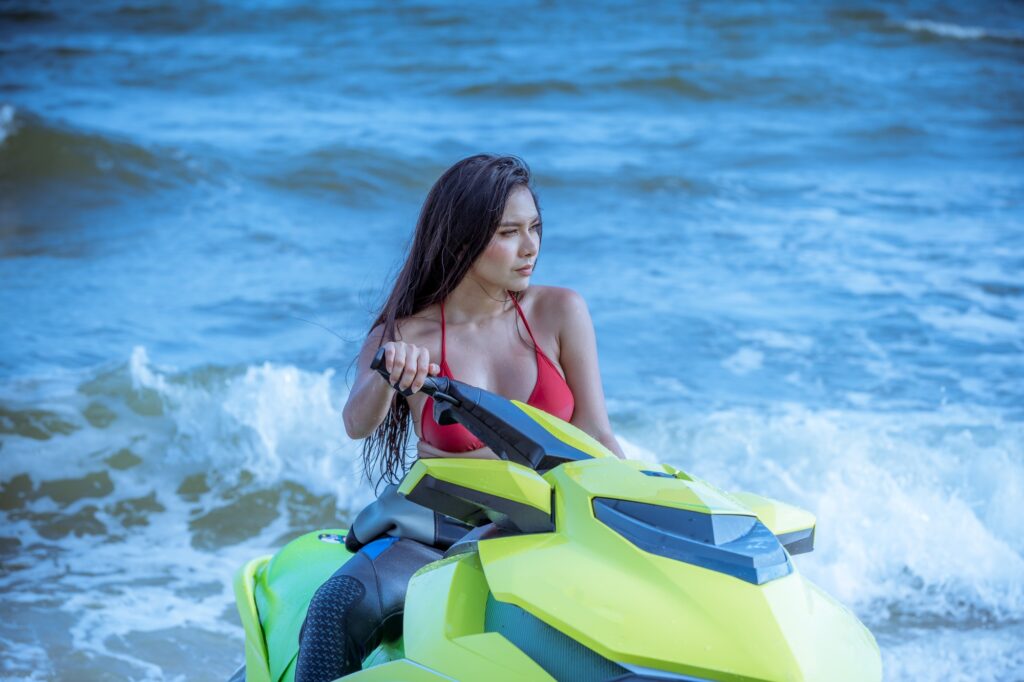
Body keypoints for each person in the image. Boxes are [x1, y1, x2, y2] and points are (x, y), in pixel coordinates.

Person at [295, 154, 624, 681]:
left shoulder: (558, 311)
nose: (531, 247)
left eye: (535, 228)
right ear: (459, 241)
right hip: (436, 533)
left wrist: (629, 509)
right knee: (336, 606)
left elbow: (596, 432)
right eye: (509, 232)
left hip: (548, 523)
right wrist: (387, 371)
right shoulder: (404, 335)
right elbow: (357, 422)